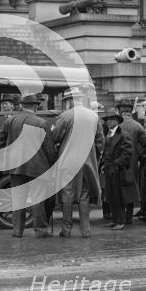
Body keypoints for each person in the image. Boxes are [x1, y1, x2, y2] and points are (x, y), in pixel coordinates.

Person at [0, 95, 57, 238]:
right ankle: (40, 231)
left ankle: (17, 231)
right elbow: (49, 149)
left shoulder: (10, 121)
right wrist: (53, 166)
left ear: (21, 105)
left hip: (15, 167)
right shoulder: (42, 122)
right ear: (35, 106)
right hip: (38, 167)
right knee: (38, 200)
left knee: (18, 200)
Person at [52, 88, 103, 238]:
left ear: (68, 101)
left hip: (68, 160)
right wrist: (96, 157)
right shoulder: (94, 117)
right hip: (87, 162)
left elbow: (55, 137)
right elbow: (100, 141)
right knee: (84, 194)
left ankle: (66, 230)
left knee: (67, 194)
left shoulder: (65, 116)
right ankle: (85, 230)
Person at [101, 108, 139, 230]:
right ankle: (114, 220)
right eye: (108, 120)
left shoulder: (123, 135)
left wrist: (115, 164)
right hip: (109, 171)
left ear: (118, 121)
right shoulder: (108, 134)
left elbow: (127, 153)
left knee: (119, 197)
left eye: (112, 119)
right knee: (111, 196)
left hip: (118, 171)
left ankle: (120, 221)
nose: (110, 122)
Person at [116, 99, 146, 221]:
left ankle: (118, 217)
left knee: (116, 189)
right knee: (130, 189)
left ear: (120, 111)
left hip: (116, 163)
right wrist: (141, 156)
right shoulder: (138, 126)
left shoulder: (114, 125)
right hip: (132, 164)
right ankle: (128, 216)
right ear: (130, 111)